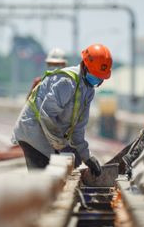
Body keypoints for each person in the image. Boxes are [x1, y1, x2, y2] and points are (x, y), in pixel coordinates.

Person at [12, 44, 113, 177]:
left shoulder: (88, 91)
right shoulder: (67, 82)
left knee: (52, 175)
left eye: (100, 77)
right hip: (32, 132)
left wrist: (86, 157)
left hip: (47, 136)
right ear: (84, 65)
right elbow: (46, 115)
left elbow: (78, 128)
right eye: (95, 75)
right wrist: (63, 146)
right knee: (45, 180)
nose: (97, 79)